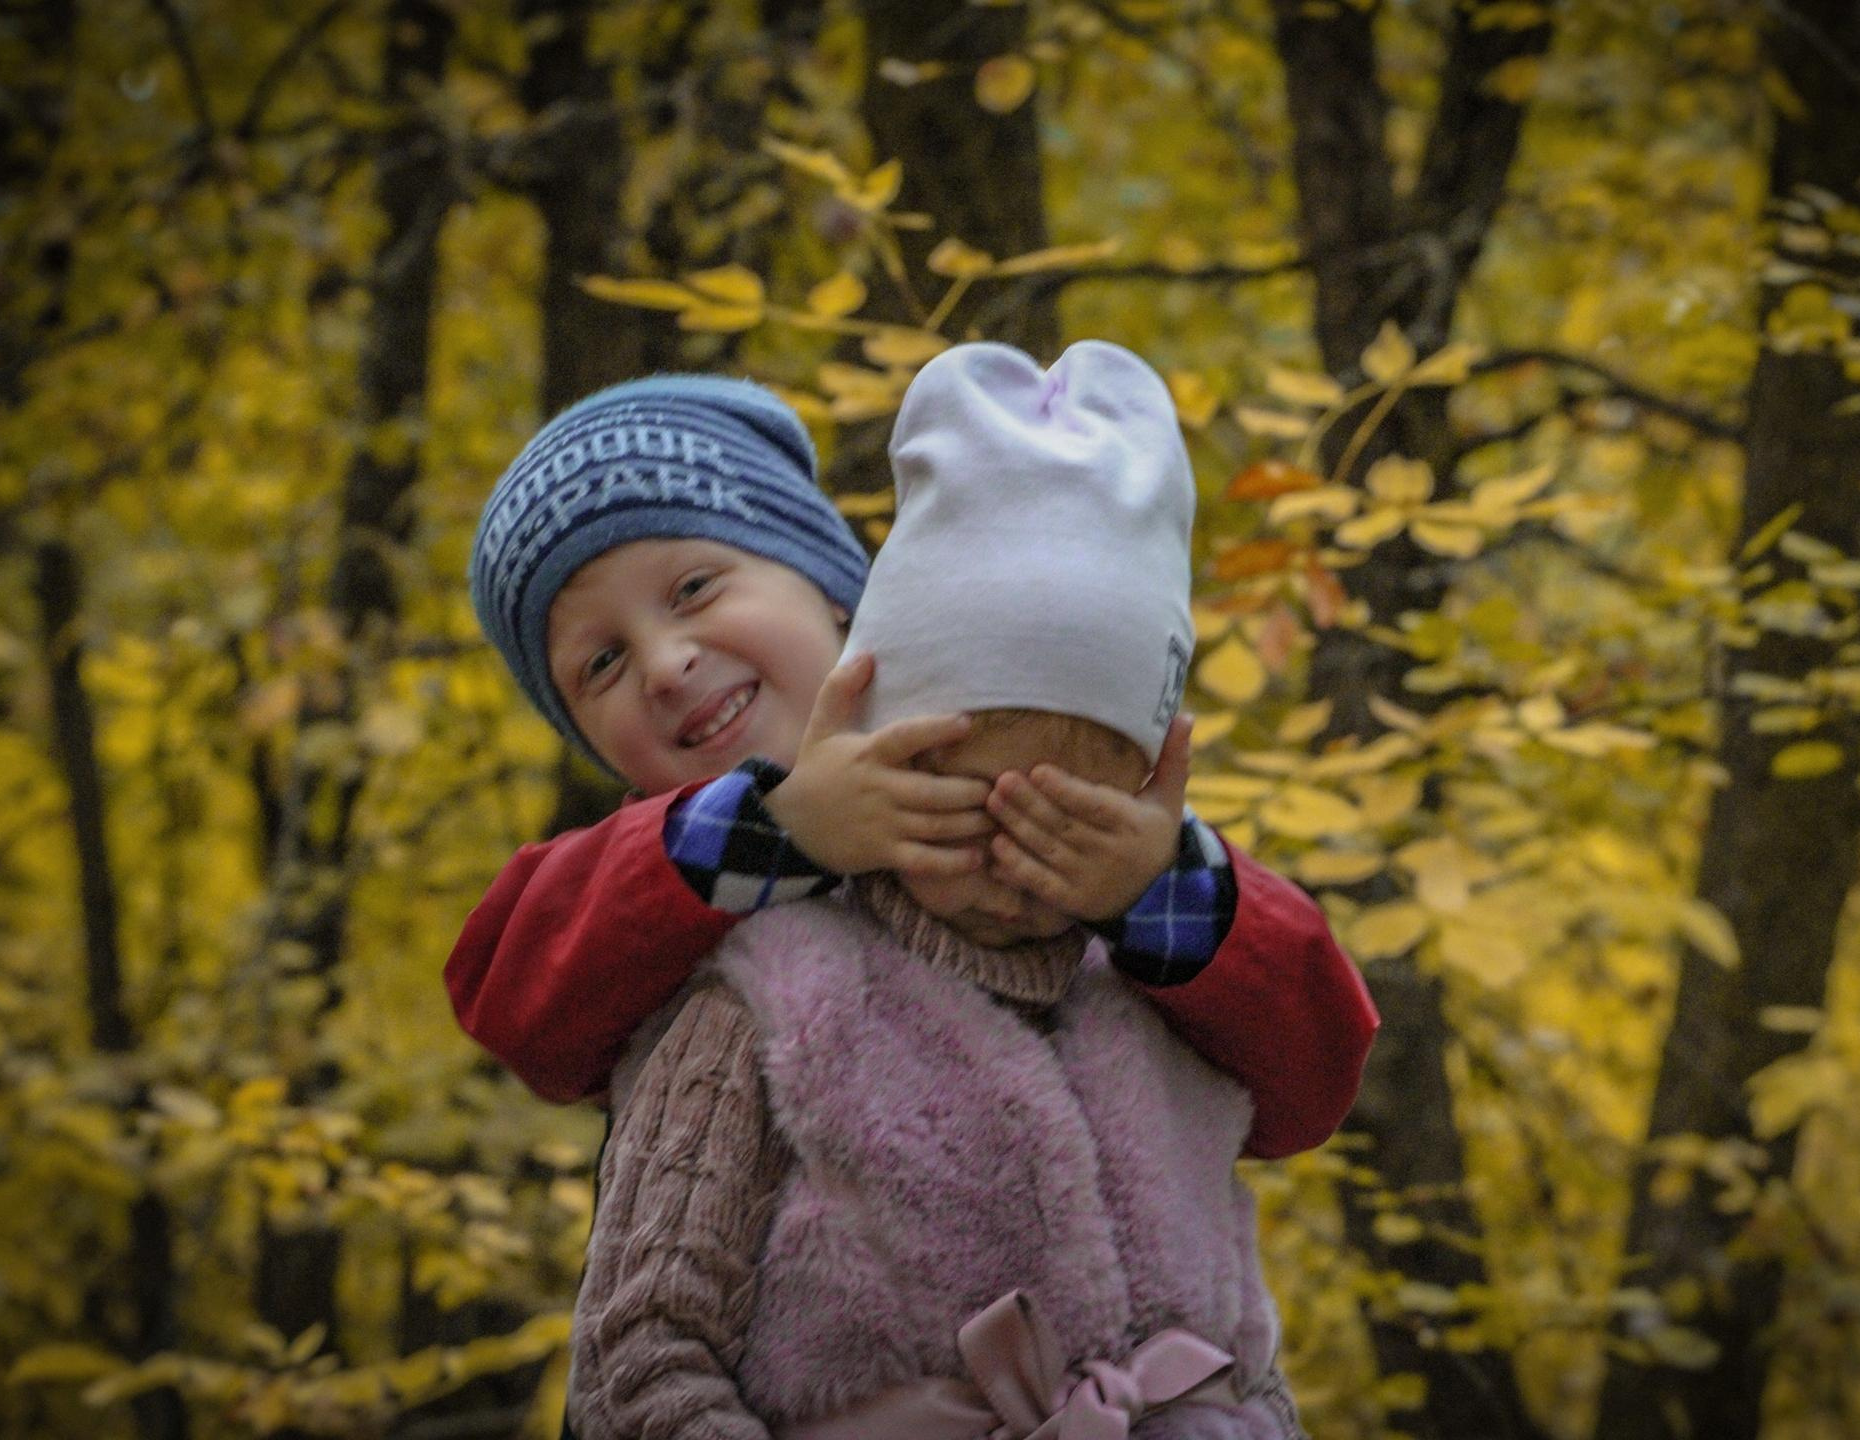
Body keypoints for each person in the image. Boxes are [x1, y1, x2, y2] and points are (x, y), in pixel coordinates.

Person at [568, 340, 1309, 1437]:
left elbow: (1250, 1350)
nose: (1012, 854)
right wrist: (785, 827)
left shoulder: (1160, 996)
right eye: (956, 799)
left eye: (1070, 814)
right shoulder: (768, 992)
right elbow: (638, 1359)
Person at [449, 368, 1378, 1164]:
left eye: (695, 589)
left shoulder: (1018, 775)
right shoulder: (653, 882)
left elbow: (1312, 1082)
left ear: (831, 587)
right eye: (600, 664)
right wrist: (778, 831)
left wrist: (1152, 887)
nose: (663, 664)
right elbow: (513, 1001)